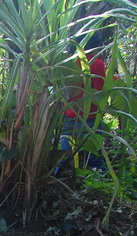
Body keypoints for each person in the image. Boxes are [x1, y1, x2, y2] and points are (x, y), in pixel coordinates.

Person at [58, 33, 108, 173]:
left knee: (63, 158)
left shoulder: (70, 63)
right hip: (90, 117)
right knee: (94, 159)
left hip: (69, 116)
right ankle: (100, 187)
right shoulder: (97, 63)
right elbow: (100, 91)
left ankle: (58, 183)